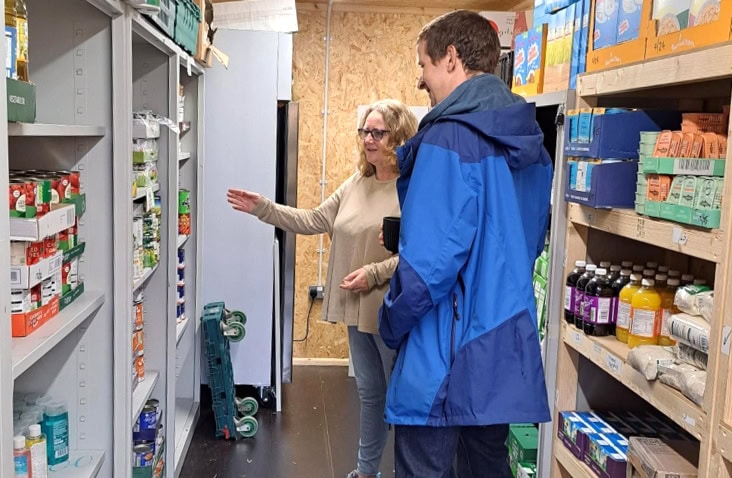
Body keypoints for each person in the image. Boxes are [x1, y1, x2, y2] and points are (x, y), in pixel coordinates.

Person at [378, 10, 552, 478]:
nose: (421, 81)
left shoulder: (448, 138)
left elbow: (425, 271)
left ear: (451, 58)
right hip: (500, 353)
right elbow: (525, 243)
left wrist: (390, 322)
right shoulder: (532, 145)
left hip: (443, 359)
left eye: (424, 65)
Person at [227, 99, 418, 478]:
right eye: (365, 131)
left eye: (378, 132)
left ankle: (409, 471)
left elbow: (419, 253)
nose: (368, 139)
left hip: (392, 307)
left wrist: (375, 273)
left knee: (403, 400)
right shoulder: (357, 182)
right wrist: (264, 208)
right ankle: (365, 472)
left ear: (399, 137)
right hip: (356, 304)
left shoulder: (411, 189)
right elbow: (314, 218)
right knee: (370, 394)